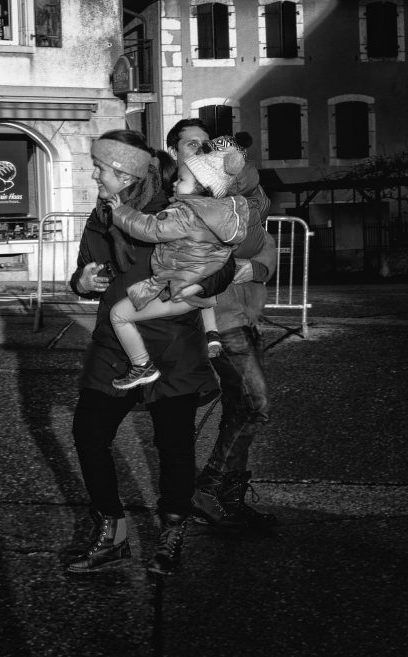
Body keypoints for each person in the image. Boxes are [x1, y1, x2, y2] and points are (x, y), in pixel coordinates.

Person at [66, 129, 235, 576]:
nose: (94, 174)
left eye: (101, 167)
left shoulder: (177, 206)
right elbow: (85, 273)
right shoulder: (102, 215)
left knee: (174, 445)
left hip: (174, 345)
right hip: (115, 345)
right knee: (88, 433)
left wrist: (205, 283)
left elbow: (224, 262)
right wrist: (81, 282)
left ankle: (172, 531)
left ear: (123, 174)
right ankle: (113, 532)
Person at [166, 119, 278, 530]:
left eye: (205, 144)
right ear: (173, 153)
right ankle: (208, 488)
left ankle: (228, 502)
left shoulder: (228, 189)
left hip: (247, 315)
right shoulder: (180, 201)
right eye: (190, 145)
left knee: (239, 408)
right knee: (255, 404)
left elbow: (263, 240)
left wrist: (258, 268)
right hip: (217, 321)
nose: (201, 151)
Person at [104, 145, 250, 391]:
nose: (174, 184)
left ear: (202, 187)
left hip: (177, 288)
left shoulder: (186, 214)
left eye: (181, 180)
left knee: (118, 315)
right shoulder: (222, 215)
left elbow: (151, 228)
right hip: (201, 288)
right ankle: (211, 332)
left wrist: (120, 211)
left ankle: (142, 366)